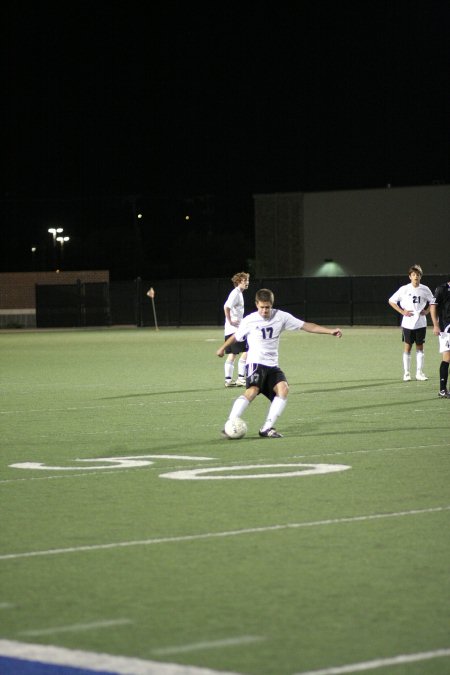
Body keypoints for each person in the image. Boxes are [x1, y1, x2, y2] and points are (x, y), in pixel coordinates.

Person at [216, 288, 342, 438]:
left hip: (272, 365)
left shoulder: (281, 317)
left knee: (283, 389)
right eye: (262, 307)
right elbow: (236, 336)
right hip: (255, 363)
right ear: (256, 304)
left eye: (267, 307)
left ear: (272, 305)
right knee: (253, 391)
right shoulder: (249, 320)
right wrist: (223, 348)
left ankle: (267, 428)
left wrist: (330, 331)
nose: (264, 311)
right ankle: (230, 424)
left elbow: (307, 326)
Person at [388, 264, 434, 381]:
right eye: (413, 275)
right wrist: (402, 311)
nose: (416, 277)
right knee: (407, 347)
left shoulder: (425, 289)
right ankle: (407, 373)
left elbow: (433, 302)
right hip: (408, 323)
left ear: (420, 277)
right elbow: (391, 301)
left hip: (421, 323)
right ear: (410, 276)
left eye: (418, 275)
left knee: (420, 348)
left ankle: (419, 373)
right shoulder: (404, 289)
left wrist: (427, 311)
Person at [222, 271, 250, 387]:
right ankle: (240, 378)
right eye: (245, 281)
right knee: (247, 351)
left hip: (231, 329)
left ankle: (228, 380)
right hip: (235, 329)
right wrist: (230, 321)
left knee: (233, 353)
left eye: (248, 280)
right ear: (239, 282)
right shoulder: (236, 293)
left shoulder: (239, 293)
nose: (247, 283)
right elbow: (226, 307)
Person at [430, 278, 450, 398]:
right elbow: (433, 307)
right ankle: (442, 390)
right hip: (446, 328)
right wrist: (436, 325)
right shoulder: (441, 289)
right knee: (447, 357)